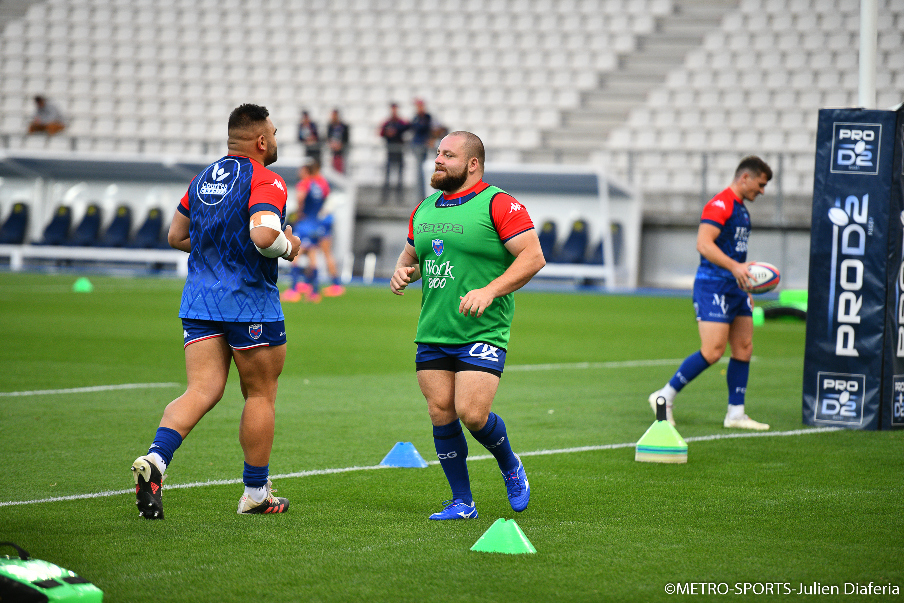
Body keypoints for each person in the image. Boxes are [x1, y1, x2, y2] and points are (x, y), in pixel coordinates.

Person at [131, 103, 302, 519]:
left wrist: (217, 252)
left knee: (201, 390)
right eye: (274, 134)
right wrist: (289, 246)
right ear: (260, 140)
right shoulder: (266, 179)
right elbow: (265, 235)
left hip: (199, 301)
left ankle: (156, 459)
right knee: (259, 394)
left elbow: (176, 236)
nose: (275, 141)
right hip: (250, 304)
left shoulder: (203, 178)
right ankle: (256, 493)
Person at [390, 131, 546, 520]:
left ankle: (510, 464)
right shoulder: (424, 208)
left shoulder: (499, 203)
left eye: (449, 155)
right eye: (438, 153)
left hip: (483, 329)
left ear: (473, 164)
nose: (438, 160)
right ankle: (462, 502)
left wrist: (490, 290)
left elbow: (533, 257)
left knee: (472, 414)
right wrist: (403, 272)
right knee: (440, 412)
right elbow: (412, 257)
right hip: (434, 330)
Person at [647, 155, 773, 431]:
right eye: (761, 184)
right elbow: (704, 244)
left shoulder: (742, 211)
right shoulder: (720, 204)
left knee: (744, 347)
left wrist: (746, 284)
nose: (762, 191)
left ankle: (736, 414)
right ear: (745, 178)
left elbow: (735, 253)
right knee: (713, 351)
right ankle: (664, 397)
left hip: (736, 287)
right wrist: (735, 268)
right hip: (713, 285)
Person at [282, 159, 344, 302]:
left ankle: (294, 290)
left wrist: (299, 213)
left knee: (296, 255)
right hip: (317, 223)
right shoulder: (322, 184)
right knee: (313, 255)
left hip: (305, 224)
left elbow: (300, 198)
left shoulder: (305, 183)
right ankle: (314, 291)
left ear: (308, 171)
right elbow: (326, 200)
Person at [379, 102, 408, 204]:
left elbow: (407, 127)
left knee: (399, 176)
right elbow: (381, 133)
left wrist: (395, 131)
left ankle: (399, 197)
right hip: (390, 152)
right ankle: (385, 197)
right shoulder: (387, 123)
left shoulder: (400, 122)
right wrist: (388, 133)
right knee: (388, 175)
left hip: (399, 152)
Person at [409, 98, 433, 202]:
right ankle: (420, 195)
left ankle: (422, 195)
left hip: (422, 146)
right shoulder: (417, 118)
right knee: (419, 172)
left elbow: (422, 128)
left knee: (421, 172)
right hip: (418, 146)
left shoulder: (426, 117)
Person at [326, 108, 350, 174]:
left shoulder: (343, 126)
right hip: (332, 151)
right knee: (332, 167)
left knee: (340, 167)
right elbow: (328, 137)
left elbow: (346, 138)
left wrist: (341, 145)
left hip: (341, 151)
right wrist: (331, 144)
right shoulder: (330, 126)